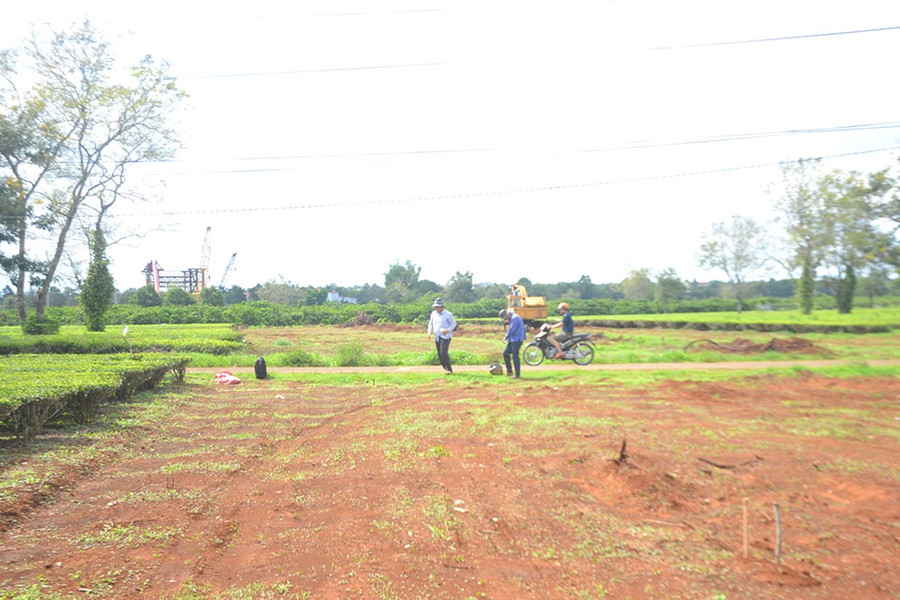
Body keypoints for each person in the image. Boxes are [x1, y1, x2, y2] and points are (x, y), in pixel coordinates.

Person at [426, 298, 456, 374]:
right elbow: (431, 324)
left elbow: (453, 324)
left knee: (443, 352)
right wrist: (429, 332)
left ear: (442, 307)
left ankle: (449, 369)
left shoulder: (448, 314)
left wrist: (448, 330)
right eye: (435, 307)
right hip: (437, 336)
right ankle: (445, 368)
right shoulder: (433, 314)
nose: (437, 308)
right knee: (440, 353)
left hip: (445, 336)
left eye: (438, 307)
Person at [500, 308, 525, 378]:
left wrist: (505, 337)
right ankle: (509, 371)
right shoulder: (512, 318)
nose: (506, 319)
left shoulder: (515, 318)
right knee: (505, 353)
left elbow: (512, 329)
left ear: (507, 314)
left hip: (517, 339)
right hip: (513, 339)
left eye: (505, 318)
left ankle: (517, 374)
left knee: (515, 356)